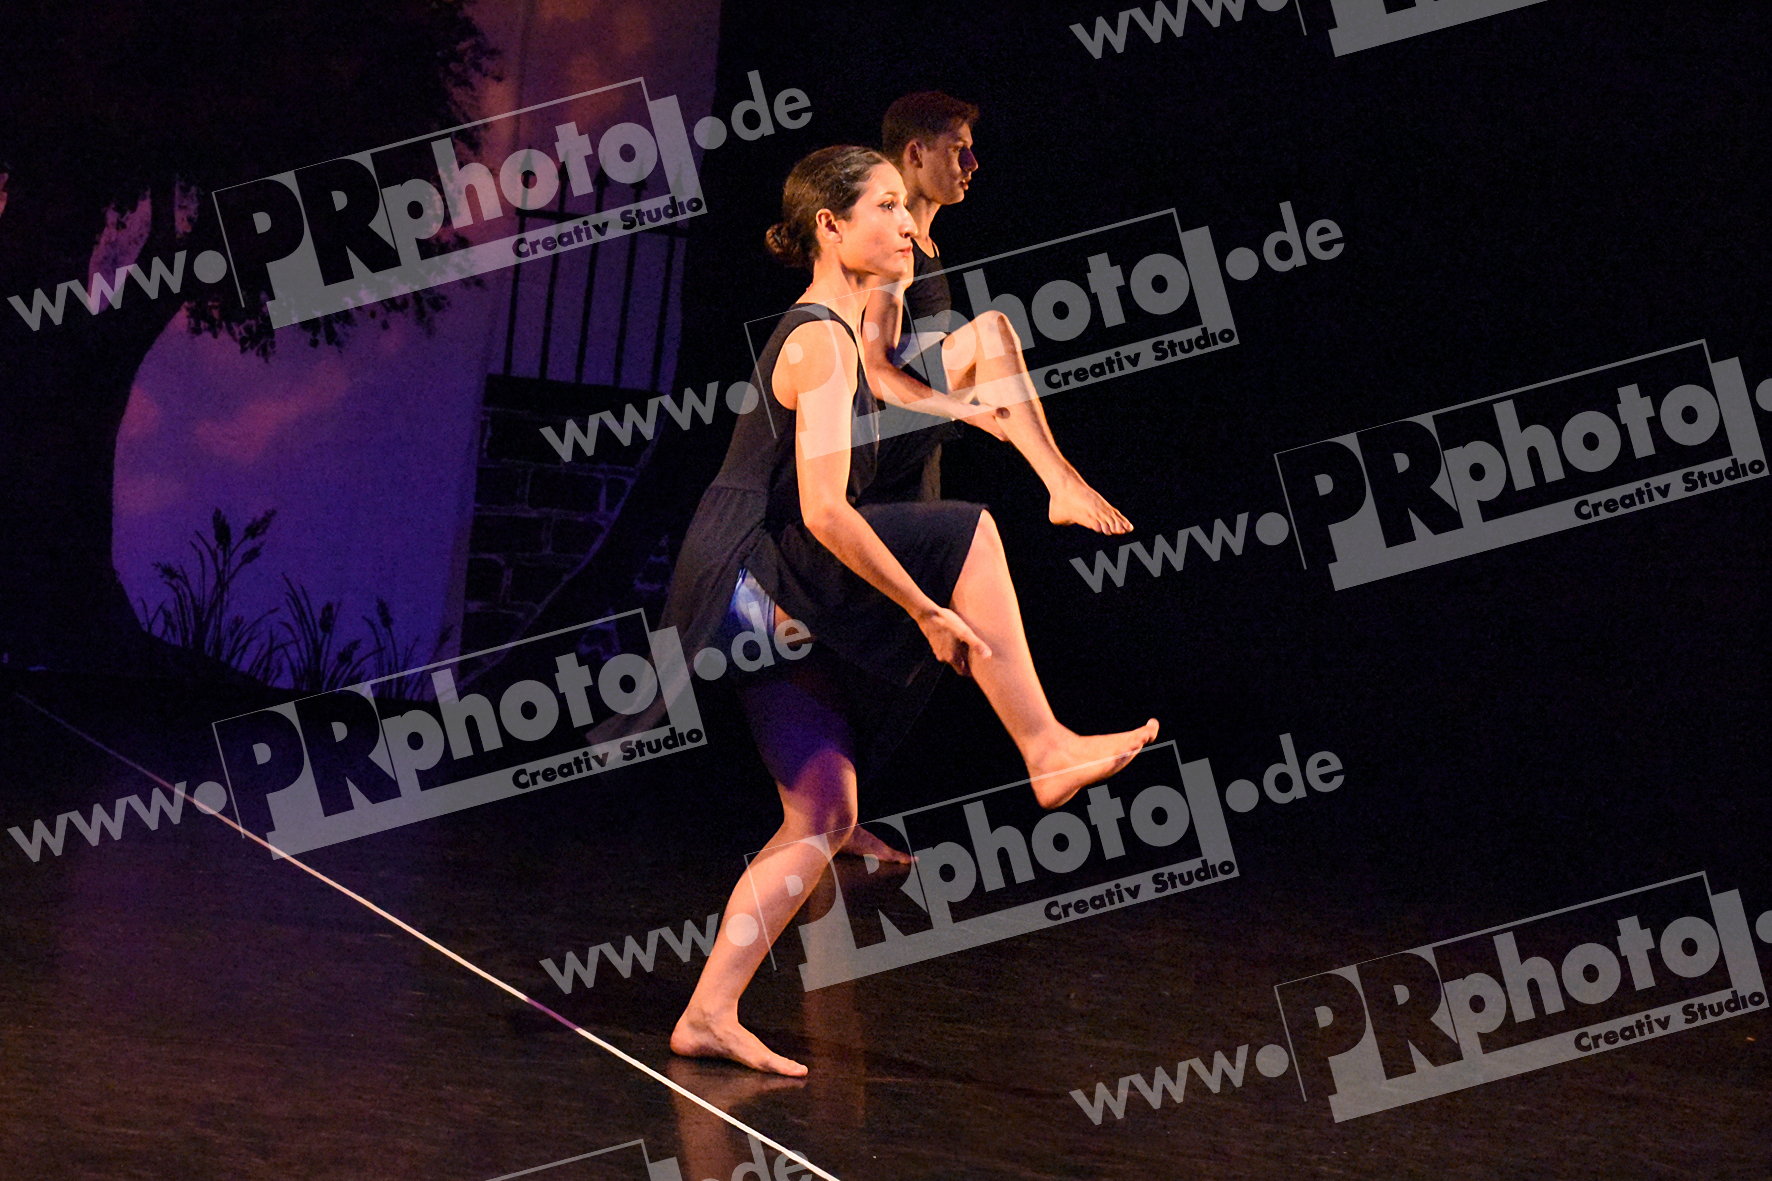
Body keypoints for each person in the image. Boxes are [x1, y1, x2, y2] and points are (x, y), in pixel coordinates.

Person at [661, 145, 1158, 1076]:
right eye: (886, 206)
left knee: (822, 810)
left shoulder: (853, 336)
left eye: (905, 205)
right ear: (830, 227)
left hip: (753, 582)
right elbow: (823, 512)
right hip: (751, 575)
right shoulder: (818, 340)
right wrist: (925, 608)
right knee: (967, 532)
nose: (905, 223)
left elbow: (881, 421)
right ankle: (1044, 746)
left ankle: (708, 1013)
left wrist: (965, 407)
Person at [858, 92, 1132, 536]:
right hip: (871, 433)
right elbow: (873, 370)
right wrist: (967, 411)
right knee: (991, 331)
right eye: (957, 149)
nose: (972, 164)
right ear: (915, 154)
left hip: (916, 449)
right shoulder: (891, 241)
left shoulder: (926, 248)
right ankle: (1062, 484)